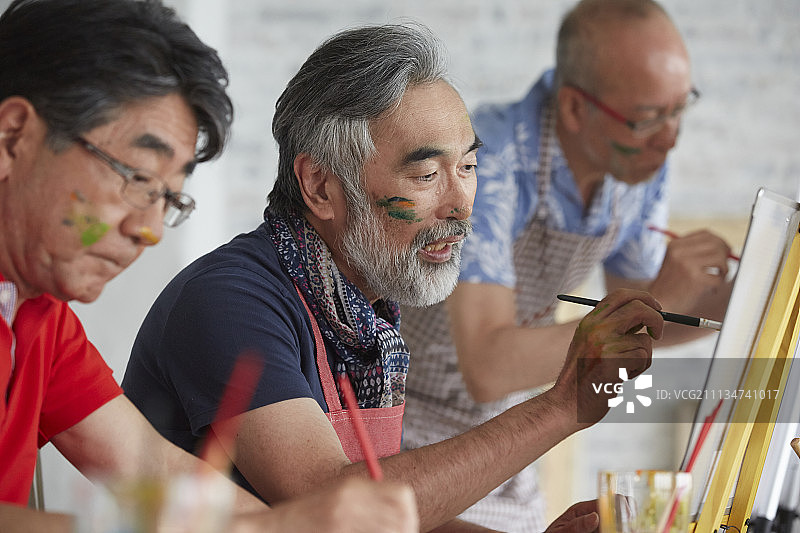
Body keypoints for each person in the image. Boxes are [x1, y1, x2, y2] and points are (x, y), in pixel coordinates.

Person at [122, 22, 666, 532]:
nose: (460, 205)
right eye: (427, 174)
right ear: (319, 186)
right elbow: (332, 505)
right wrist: (563, 405)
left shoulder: (365, 310)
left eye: (469, 168)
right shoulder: (228, 303)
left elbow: (387, 515)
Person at [0, 1, 420, 532]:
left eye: (168, 199)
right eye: (136, 178)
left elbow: (151, 466)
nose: (147, 228)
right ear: (14, 137)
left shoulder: (40, 318)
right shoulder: (231, 295)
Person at [399, 0, 734, 530]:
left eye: (679, 109)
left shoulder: (636, 164)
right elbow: (487, 366)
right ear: (576, 109)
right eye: (647, 119)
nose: (670, 139)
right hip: (406, 439)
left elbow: (644, 325)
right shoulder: (488, 157)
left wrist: (765, 284)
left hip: (507, 436)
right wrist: (660, 299)